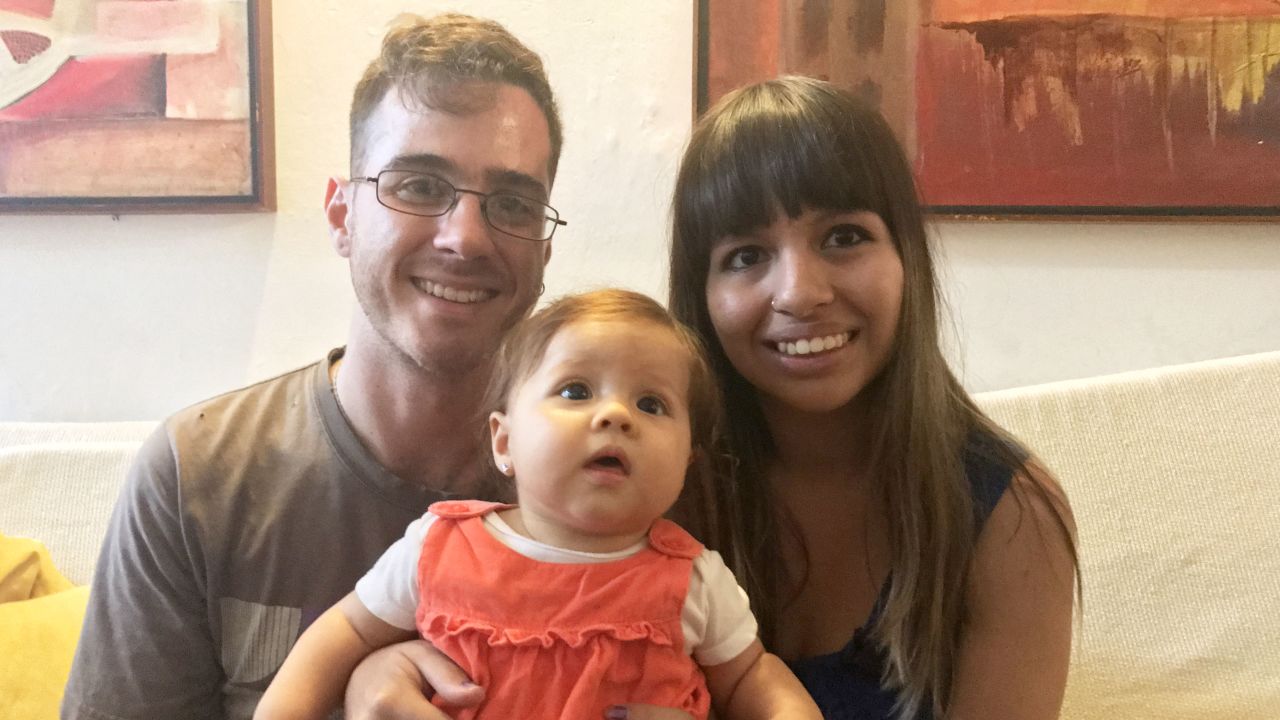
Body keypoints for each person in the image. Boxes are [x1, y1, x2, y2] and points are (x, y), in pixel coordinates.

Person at [62, 13, 567, 720]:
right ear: (342, 216)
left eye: (513, 203)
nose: (466, 236)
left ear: (544, 253)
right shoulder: (197, 479)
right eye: (420, 186)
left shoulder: (612, 473)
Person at [666, 76, 1081, 719]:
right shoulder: (654, 488)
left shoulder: (1010, 516)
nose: (800, 293)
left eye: (843, 237)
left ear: (907, 257)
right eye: (746, 254)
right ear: (702, 296)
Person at [253, 289, 822, 720]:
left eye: (652, 403)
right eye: (575, 391)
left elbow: (751, 676)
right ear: (505, 442)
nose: (615, 415)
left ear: (685, 465)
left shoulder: (693, 580)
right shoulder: (438, 547)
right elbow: (341, 636)